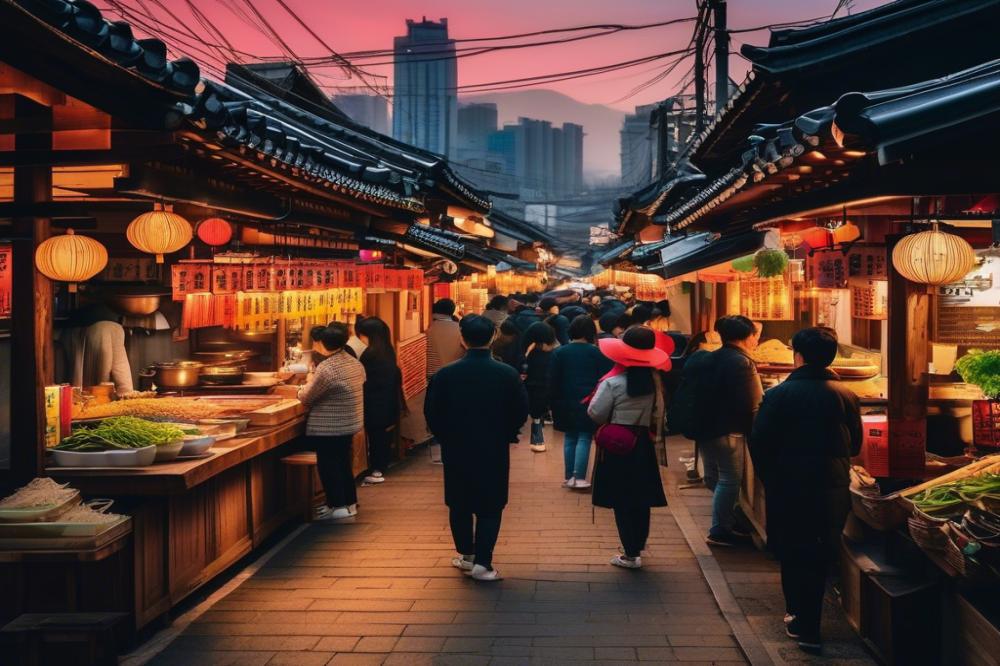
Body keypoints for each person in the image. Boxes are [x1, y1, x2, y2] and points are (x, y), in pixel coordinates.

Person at [750, 327, 862, 654]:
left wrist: (771, 478)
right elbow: (854, 444)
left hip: (789, 484)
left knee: (793, 549)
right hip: (832, 485)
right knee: (820, 550)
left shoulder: (779, 395)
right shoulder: (846, 395)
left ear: (797, 356)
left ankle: (800, 617)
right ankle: (808, 624)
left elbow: (760, 442)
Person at [424, 315, 528, 582]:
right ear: (493, 337)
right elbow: (519, 412)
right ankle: (483, 562)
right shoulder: (507, 374)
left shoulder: (445, 375)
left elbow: (432, 413)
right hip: (493, 447)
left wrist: (446, 435)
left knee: (459, 502)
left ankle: (466, 555)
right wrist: (507, 433)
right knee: (491, 504)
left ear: (462, 338)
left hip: (456, 446)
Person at [588, 327, 668, 569]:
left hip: (618, 444)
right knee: (641, 496)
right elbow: (660, 415)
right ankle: (638, 546)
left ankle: (630, 553)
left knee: (621, 497)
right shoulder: (655, 383)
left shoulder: (613, 383)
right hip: (643, 443)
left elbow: (595, 413)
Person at [697, 315, 763, 547]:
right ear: (747, 336)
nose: (756, 340)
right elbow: (755, 402)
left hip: (705, 427)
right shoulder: (743, 362)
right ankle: (720, 530)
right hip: (730, 429)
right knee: (729, 479)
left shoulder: (709, 358)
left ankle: (728, 518)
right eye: (755, 335)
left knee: (713, 476)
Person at [297, 323, 366, 521]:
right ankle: (349, 503)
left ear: (322, 344)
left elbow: (307, 397)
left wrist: (299, 390)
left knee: (329, 466)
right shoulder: (353, 362)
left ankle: (337, 505)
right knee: (343, 463)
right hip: (349, 422)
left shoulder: (327, 368)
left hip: (330, 426)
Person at [549, 315, 613, 489]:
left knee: (570, 437)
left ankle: (569, 476)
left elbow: (552, 379)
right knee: (584, 437)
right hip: (589, 400)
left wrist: (552, 402)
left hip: (564, 401)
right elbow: (606, 378)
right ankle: (579, 477)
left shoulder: (559, 352)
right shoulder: (597, 353)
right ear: (590, 332)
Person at [356, 317, 403, 486]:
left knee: (376, 437)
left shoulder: (370, 355)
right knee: (381, 437)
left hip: (374, 402)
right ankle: (380, 467)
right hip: (387, 401)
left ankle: (377, 469)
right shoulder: (387, 351)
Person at [63, 304, 134, 394]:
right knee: (118, 372)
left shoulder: (70, 329)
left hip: (77, 328)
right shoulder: (114, 324)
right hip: (109, 327)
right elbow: (121, 368)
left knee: (89, 381)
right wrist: (127, 394)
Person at [523, 321, 556, 453]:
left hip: (532, 386)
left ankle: (537, 437)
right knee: (537, 414)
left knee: (536, 414)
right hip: (544, 387)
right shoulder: (552, 354)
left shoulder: (528, 351)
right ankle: (537, 437)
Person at [426, 299, 464, 377]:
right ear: (452, 311)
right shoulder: (461, 330)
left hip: (432, 376)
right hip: (455, 374)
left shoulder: (428, 329)